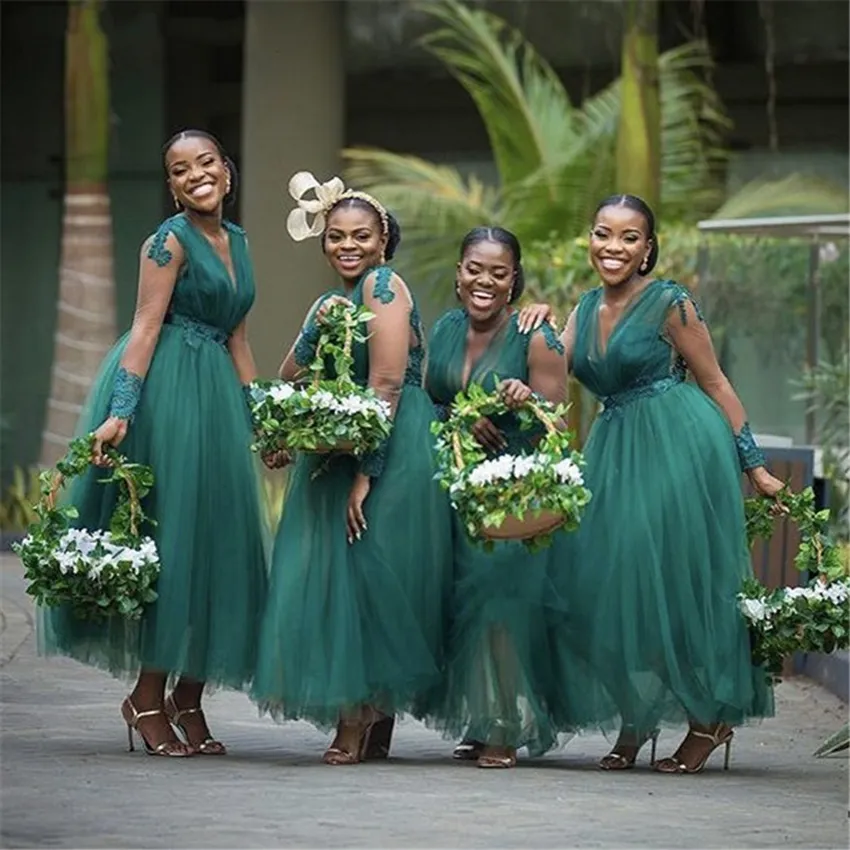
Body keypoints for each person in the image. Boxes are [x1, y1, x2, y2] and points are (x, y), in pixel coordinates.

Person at [39, 130, 269, 758]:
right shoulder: (167, 241)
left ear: (227, 169)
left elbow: (240, 340)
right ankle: (145, 695)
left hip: (218, 398)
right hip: (170, 395)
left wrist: (262, 419)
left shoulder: (241, 242)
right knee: (175, 544)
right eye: (179, 169)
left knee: (218, 545)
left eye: (205, 162)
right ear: (170, 185)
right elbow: (144, 327)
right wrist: (120, 414)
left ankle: (188, 698)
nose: (196, 174)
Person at [556, 194, 781, 774]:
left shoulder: (669, 303)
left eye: (630, 237)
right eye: (604, 233)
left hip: (679, 444)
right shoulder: (581, 309)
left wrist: (752, 463)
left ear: (648, 249)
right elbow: (548, 379)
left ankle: (709, 718)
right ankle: (637, 714)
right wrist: (528, 317)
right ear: (591, 238)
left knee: (672, 577)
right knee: (616, 580)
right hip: (614, 448)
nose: (614, 246)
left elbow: (716, 382)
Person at [251, 172, 458, 765]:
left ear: (384, 240)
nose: (348, 245)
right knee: (345, 577)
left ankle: (357, 720)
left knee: (371, 575)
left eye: (362, 235)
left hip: (393, 449)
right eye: (336, 235)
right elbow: (291, 373)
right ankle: (371, 720)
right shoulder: (329, 303)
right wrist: (286, 430)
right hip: (337, 454)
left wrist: (368, 468)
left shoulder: (385, 287)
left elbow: (388, 381)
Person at [424, 227, 586, 769]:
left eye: (498, 271)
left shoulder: (536, 334)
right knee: (464, 605)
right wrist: (461, 421)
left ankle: (505, 726)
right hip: (454, 482)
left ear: (514, 279)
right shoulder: (445, 329)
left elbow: (557, 415)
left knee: (501, 607)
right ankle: (480, 717)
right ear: (458, 271)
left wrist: (523, 399)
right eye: (474, 267)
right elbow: (432, 403)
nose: (484, 280)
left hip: (513, 492)